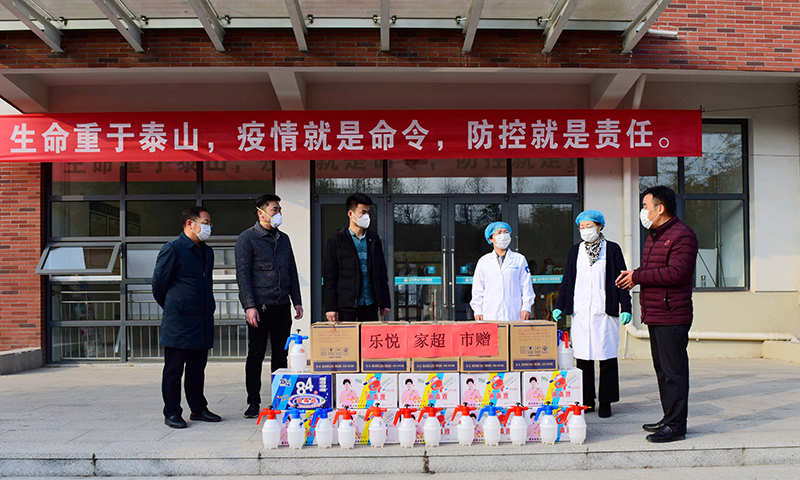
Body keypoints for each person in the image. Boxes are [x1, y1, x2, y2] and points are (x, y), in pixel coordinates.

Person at [616, 186, 698, 443]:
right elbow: (652, 270)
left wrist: (637, 276)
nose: (643, 211)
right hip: (656, 312)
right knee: (662, 370)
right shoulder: (655, 236)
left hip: (672, 313)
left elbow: (676, 273)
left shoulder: (682, 235)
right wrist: (634, 275)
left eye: (645, 206)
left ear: (660, 208)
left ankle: (676, 427)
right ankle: (668, 418)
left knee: (674, 372)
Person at [552, 210, 632, 418]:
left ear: (599, 226)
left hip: (605, 312)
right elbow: (567, 281)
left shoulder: (612, 249)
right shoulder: (575, 251)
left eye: (589, 226)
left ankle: (606, 402)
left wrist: (626, 307)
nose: (585, 230)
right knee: (583, 359)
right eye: (582, 227)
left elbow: (622, 280)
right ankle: (587, 400)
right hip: (581, 312)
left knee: (607, 358)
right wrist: (560, 305)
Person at [152, 206, 221, 429]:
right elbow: (159, 286)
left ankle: (198, 408)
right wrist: (176, 306)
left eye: (210, 223)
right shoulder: (172, 249)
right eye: (205, 223)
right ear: (190, 223)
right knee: (174, 370)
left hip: (202, 320)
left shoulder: (207, 252)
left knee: (197, 369)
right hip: (179, 321)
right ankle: (172, 412)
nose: (209, 227)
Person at [236, 194, 303, 419]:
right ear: (261, 213)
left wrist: (297, 301)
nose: (279, 213)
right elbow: (243, 275)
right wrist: (249, 306)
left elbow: (292, 271)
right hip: (260, 306)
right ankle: (253, 401)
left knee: (280, 354)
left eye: (279, 209)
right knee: (256, 354)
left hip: (282, 305)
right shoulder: (247, 238)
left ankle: (279, 399)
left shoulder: (283, 239)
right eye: (275, 209)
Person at [323, 193, 391, 322]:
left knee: (370, 335)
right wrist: (330, 307)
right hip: (346, 305)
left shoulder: (374, 239)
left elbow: (381, 273)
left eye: (368, 212)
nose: (366, 216)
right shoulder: (337, 240)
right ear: (350, 214)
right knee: (347, 336)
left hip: (370, 304)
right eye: (363, 212)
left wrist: (385, 302)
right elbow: (330, 276)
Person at [470, 222, 535, 321]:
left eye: (506, 232)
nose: (503, 235)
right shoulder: (484, 261)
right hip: (490, 313)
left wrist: (526, 307)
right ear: (490, 238)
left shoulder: (519, 259)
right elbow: (478, 289)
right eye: (499, 232)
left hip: (514, 312)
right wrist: (478, 310)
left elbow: (526, 286)